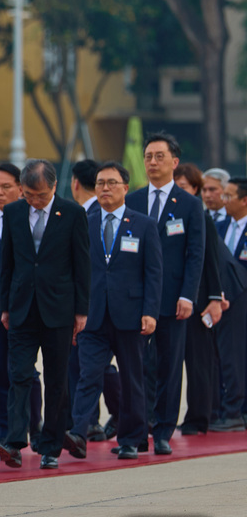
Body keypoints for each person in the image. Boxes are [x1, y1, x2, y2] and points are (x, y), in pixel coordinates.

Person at [0, 159, 90, 470]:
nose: (34, 201)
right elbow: (6, 263)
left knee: (56, 380)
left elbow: (82, 265)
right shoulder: (13, 212)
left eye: (39, 195)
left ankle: (51, 445)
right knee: (20, 374)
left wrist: (81, 311)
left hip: (59, 309)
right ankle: (13, 441)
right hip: (22, 307)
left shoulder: (73, 214)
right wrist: (5, 306)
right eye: (28, 195)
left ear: (53, 187)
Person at [68, 162, 161, 461]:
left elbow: (153, 273)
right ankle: (78, 433)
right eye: (100, 183)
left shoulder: (143, 224)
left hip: (131, 315)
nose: (105, 188)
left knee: (133, 379)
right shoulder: (84, 221)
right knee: (88, 375)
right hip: (93, 316)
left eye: (111, 183)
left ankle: (132, 439)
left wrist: (151, 312)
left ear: (125, 187)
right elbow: (74, 272)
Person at [126, 132, 204, 455]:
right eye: (148, 157)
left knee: (170, 366)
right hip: (136, 298)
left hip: (173, 300)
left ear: (174, 162)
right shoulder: (132, 201)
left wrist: (188, 295)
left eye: (159, 156)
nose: (153, 162)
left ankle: (162, 430)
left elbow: (195, 253)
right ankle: (137, 428)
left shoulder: (189, 204)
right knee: (137, 366)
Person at [0, 162, 41, 441]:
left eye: (6, 187)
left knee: (24, 371)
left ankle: (35, 425)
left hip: (23, 309)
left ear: (20, 189)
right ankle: (5, 430)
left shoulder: (29, 218)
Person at [65, 158, 118, 441]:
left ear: (75, 184)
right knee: (89, 368)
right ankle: (86, 424)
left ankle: (117, 417)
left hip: (108, 310)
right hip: (85, 309)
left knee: (93, 368)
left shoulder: (96, 216)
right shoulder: (81, 216)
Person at [177, 166, 228, 437]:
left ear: (194, 189)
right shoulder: (164, 214)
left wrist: (214, 298)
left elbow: (211, 262)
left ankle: (198, 418)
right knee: (159, 363)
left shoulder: (200, 217)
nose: (179, 190)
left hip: (199, 303)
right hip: (169, 301)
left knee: (199, 364)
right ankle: (155, 416)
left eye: (184, 186)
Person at [214, 177, 247, 431]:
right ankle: (228, 409)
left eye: (228, 197)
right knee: (227, 356)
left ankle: (235, 410)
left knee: (237, 355)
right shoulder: (221, 225)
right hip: (224, 300)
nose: (223, 201)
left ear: (244, 200)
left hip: (242, 300)